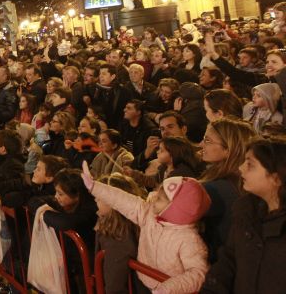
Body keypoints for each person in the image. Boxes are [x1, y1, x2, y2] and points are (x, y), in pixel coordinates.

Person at [82, 162, 211, 293]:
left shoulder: (189, 239)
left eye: (159, 199)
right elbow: (123, 200)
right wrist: (95, 187)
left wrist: (168, 288)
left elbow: (198, 273)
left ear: (175, 209)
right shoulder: (148, 215)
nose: (153, 199)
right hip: (144, 282)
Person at [202, 137, 286, 294]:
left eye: (250, 165)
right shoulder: (246, 210)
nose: (240, 168)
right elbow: (229, 259)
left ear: (276, 178)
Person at [199, 118, 257, 263]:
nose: (201, 144)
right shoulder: (243, 183)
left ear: (228, 149)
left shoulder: (213, 189)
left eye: (207, 140)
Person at [93, 173, 145, 294]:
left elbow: (114, 283)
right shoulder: (133, 223)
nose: (95, 199)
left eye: (99, 197)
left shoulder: (117, 236)